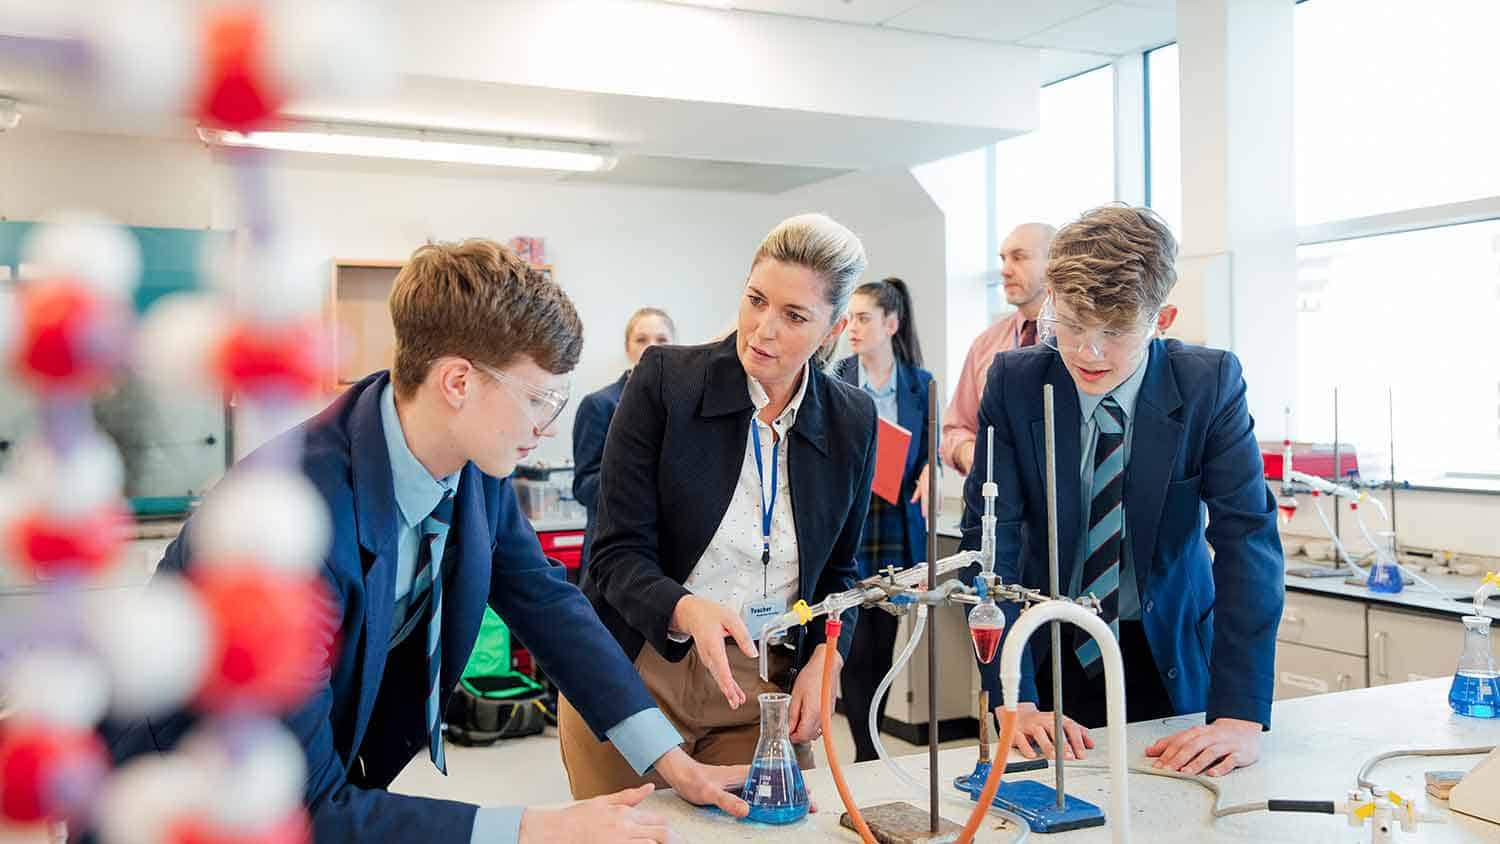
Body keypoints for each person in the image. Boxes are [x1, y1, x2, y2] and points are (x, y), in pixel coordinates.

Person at [106, 240, 747, 842]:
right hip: (183, 799)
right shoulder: (289, 528)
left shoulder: (470, 466)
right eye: (540, 398)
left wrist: (673, 761)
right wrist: (536, 828)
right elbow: (305, 807)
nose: (548, 427)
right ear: (458, 381)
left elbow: (549, 606)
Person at [559, 214, 879, 798]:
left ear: (831, 330)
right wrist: (686, 609)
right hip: (638, 671)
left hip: (762, 683)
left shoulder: (851, 419)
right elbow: (615, 553)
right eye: (756, 300)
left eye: (795, 316)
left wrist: (826, 658)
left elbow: (841, 574)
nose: (763, 328)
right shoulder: (664, 382)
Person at [962, 206, 1283, 778]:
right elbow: (991, 542)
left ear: (1164, 317)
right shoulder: (1014, 382)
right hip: (1046, 653)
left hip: (1170, 657)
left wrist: (1239, 716)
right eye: (1074, 326)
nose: (1089, 352)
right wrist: (1013, 694)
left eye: (1115, 332)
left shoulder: (1208, 384)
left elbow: (1248, 544)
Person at [830, 277, 934, 763]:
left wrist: (934, 466)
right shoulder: (835, 376)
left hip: (895, 523)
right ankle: (866, 750)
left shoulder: (921, 384)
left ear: (891, 324)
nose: (852, 327)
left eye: (864, 318)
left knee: (884, 639)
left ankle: (869, 749)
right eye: (848, 317)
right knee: (852, 639)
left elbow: (931, 450)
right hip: (848, 520)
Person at [941, 222, 1055, 476]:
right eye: (1003, 259)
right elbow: (955, 429)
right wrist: (971, 454)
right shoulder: (985, 346)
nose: (1004, 270)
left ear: (1053, 264)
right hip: (995, 503)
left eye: (1019, 257)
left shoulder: (1080, 344)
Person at [572, 307, 676, 574]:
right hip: (610, 555)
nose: (652, 348)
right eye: (641, 339)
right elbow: (584, 486)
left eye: (662, 340)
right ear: (628, 348)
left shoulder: (682, 411)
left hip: (666, 558)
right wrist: (641, 476)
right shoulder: (598, 405)